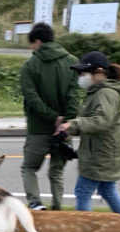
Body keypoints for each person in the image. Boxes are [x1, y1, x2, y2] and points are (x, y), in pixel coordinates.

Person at [56, 51, 120, 216]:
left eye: (84, 73)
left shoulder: (106, 93)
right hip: (102, 153)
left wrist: (74, 123)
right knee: (108, 191)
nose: (81, 76)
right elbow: (89, 120)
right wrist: (68, 128)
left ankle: (84, 230)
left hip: (102, 155)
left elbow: (101, 121)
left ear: (99, 72)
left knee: (83, 192)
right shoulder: (97, 92)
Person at [19, 22, 81, 211]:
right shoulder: (72, 61)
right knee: (56, 172)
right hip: (64, 129)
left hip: (38, 127)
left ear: (37, 41)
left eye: (32, 44)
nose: (31, 48)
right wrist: (65, 119)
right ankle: (57, 206)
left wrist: (51, 116)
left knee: (29, 168)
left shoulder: (30, 66)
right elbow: (74, 95)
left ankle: (36, 204)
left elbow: (32, 98)